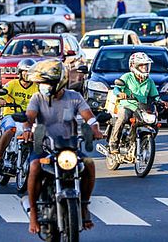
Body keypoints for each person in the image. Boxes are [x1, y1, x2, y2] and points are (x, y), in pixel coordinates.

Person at [21, 59, 103, 234]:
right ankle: (34, 214)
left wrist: (95, 128)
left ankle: (83, 206)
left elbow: (89, 116)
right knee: (35, 166)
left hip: (69, 148)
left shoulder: (75, 97)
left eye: (46, 83)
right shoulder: (37, 98)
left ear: (59, 82)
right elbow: (29, 118)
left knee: (89, 164)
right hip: (45, 147)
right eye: (41, 83)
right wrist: (27, 130)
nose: (42, 86)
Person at [109, 52, 168, 154]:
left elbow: (155, 96)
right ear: (134, 66)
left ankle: (143, 142)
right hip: (127, 105)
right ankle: (113, 143)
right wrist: (120, 94)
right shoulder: (127, 77)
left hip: (142, 107)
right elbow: (116, 89)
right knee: (123, 117)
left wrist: (162, 102)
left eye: (146, 65)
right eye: (142, 65)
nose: (145, 68)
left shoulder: (149, 81)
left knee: (153, 121)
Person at [0, 58, 38, 169]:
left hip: (29, 117)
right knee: (11, 129)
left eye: (29, 73)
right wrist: (2, 101)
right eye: (25, 72)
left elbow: (44, 99)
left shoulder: (37, 87)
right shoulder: (12, 84)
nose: (27, 75)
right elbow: (0, 97)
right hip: (11, 115)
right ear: (20, 72)